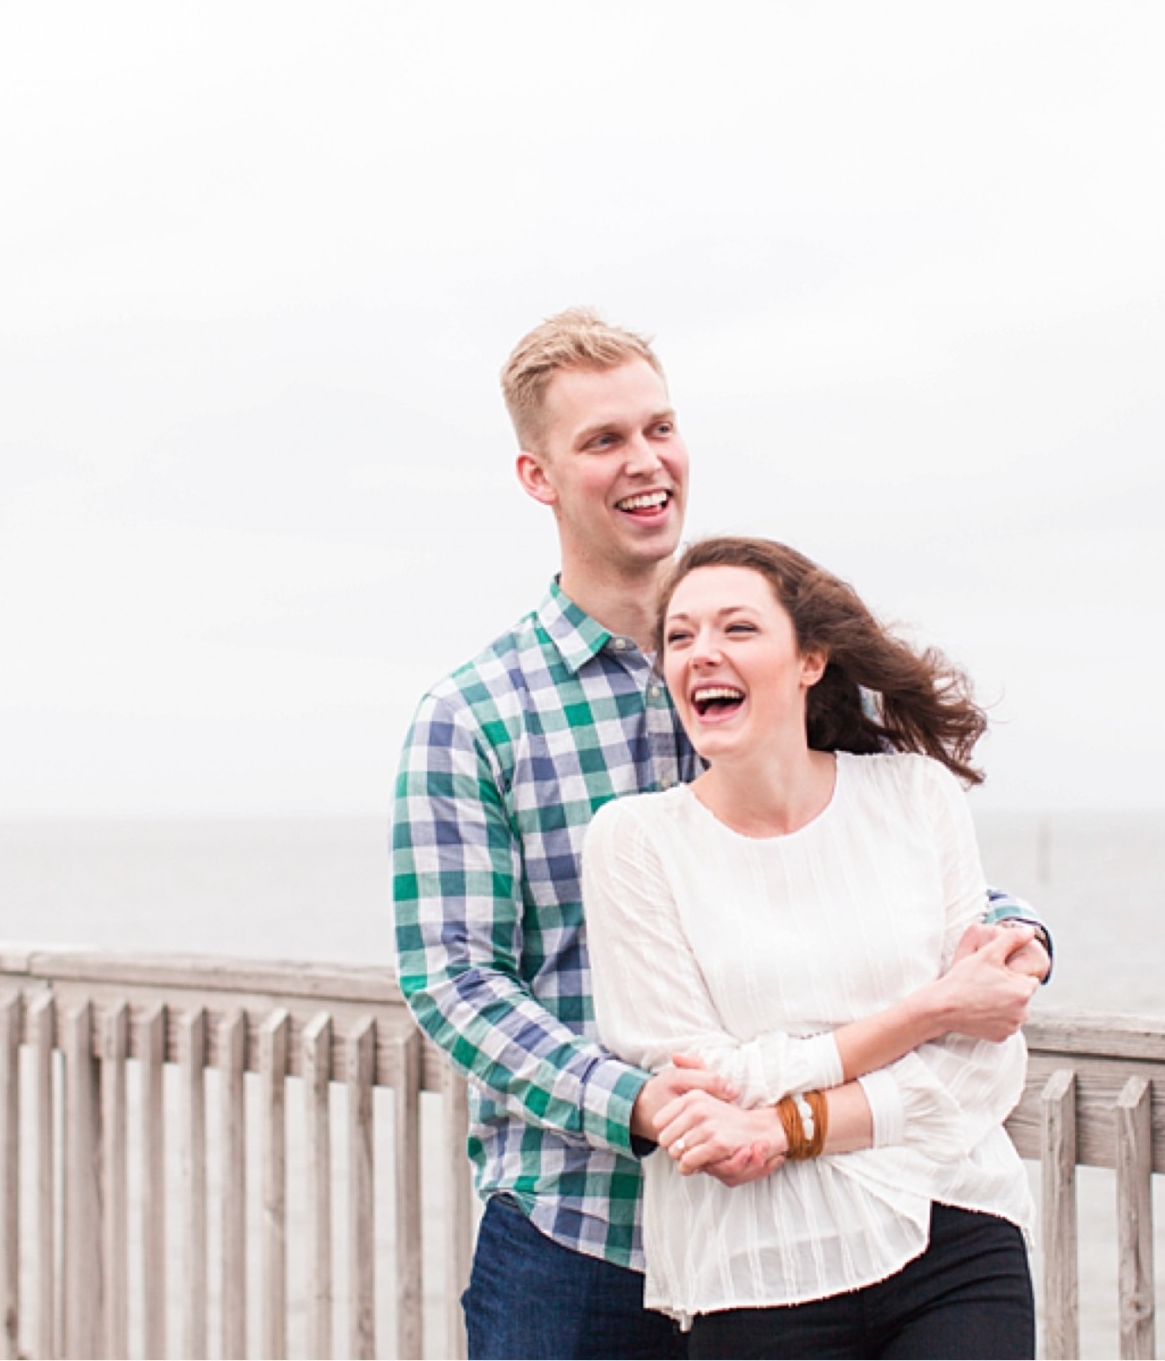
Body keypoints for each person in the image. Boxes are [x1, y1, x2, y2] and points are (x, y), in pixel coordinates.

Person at [392, 310, 1053, 1359]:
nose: (644, 460)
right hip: (581, 1231)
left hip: (809, 1221)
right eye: (602, 440)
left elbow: (883, 840)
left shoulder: (757, 639)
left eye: (658, 426)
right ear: (537, 476)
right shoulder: (475, 716)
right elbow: (455, 981)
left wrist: (1012, 932)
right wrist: (643, 1103)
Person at [583, 536, 1040, 1359]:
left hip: (953, 1226)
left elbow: (983, 1062)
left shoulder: (913, 795)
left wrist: (787, 1125)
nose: (702, 654)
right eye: (680, 637)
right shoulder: (636, 842)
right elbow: (701, 1085)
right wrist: (927, 1011)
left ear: (810, 660)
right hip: (761, 1265)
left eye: (737, 629)